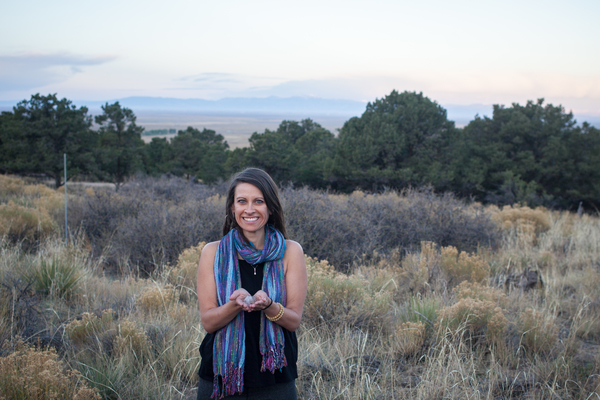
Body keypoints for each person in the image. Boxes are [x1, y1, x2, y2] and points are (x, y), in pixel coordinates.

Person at [196, 168, 307, 399]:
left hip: (275, 374)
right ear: (231, 207)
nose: (249, 209)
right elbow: (208, 322)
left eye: (259, 201)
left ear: (271, 207)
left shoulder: (291, 252)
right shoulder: (212, 253)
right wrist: (235, 304)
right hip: (222, 374)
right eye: (241, 201)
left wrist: (269, 306)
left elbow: (293, 320)